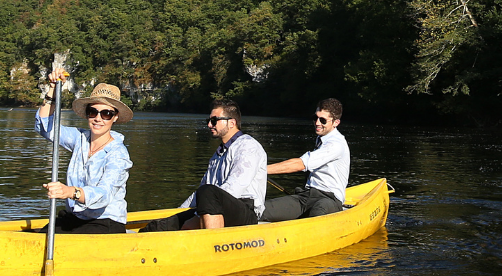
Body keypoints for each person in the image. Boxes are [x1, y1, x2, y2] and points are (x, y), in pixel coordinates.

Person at [147, 100, 266, 231]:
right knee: (157, 226)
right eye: (208, 121)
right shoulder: (217, 155)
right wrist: (177, 213)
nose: (209, 125)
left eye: (214, 120)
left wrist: (197, 216)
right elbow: (200, 192)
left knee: (208, 192)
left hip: (245, 211)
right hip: (212, 205)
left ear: (232, 123)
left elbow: (235, 187)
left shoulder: (248, 146)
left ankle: (213, 244)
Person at [35, 81, 133, 234]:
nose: (98, 119)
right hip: (76, 217)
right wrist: (52, 91)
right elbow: (45, 128)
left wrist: (70, 192)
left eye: (106, 114)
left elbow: (104, 195)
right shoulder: (79, 138)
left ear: (115, 117)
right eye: (93, 112)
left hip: (105, 222)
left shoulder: (118, 154)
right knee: (44, 235)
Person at [264, 98, 350, 221]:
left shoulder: (336, 144)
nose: (317, 123)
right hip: (306, 196)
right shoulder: (321, 139)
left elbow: (300, 164)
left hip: (329, 199)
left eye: (323, 120)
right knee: (260, 210)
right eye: (315, 118)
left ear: (336, 122)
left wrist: (261, 169)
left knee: (316, 213)